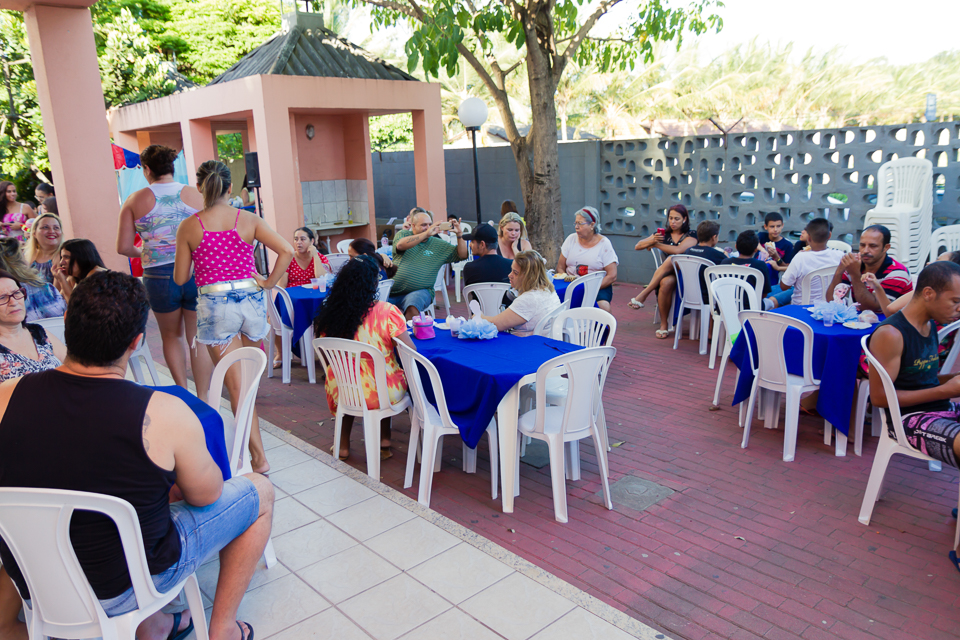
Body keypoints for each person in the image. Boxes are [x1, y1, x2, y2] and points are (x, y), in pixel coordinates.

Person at [0, 271, 273, 640]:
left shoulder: (7, 394)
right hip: (128, 588)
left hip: (36, 579)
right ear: (136, 342)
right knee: (260, 492)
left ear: (66, 324)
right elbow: (206, 496)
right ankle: (222, 628)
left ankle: (157, 624)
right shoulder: (161, 412)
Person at [174, 160, 293, 475]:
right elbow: (287, 251)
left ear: (200, 187)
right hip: (252, 303)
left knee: (237, 387)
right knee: (249, 386)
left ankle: (258, 458)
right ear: (229, 187)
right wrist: (267, 283)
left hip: (216, 306)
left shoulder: (190, 226)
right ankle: (255, 454)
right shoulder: (249, 219)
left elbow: (179, 277)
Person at [866, 260, 960, 571]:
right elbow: (881, 398)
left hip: (934, 408)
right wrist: (945, 392)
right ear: (930, 293)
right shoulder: (892, 333)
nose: (959, 309)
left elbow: (928, 381)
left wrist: (950, 384)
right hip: (907, 421)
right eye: (956, 301)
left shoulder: (929, 323)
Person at [117, 144, 213, 398]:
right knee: (198, 337)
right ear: (171, 166)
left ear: (147, 169)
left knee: (171, 337)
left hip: (158, 276)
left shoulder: (135, 200)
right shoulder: (196, 195)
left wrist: (148, 251)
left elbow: (124, 247)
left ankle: (183, 393)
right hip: (195, 272)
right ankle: (203, 396)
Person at [313, 255, 414, 461]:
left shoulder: (331, 312)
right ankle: (384, 441)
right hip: (382, 392)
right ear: (374, 283)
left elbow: (324, 353)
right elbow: (409, 351)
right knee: (387, 370)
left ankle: (342, 446)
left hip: (340, 389)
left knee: (351, 378)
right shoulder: (387, 312)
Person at [628, 204, 698, 333]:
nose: (672, 221)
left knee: (672, 258)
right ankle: (664, 325)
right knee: (665, 282)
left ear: (685, 219)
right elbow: (637, 246)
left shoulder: (692, 234)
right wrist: (652, 240)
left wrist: (656, 244)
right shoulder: (662, 235)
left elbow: (678, 250)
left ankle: (644, 293)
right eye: (670, 218)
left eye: (676, 218)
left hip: (686, 274)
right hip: (668, 274)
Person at [389, 209, 467, 320]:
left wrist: (459, 235)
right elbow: (400, 245)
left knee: (413, 305)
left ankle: (410, 334)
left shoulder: (438, 244)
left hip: (420, 291)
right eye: (424, 225)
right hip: (393, 292)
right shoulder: (404, 234)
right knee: (376, 308)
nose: (428, 227)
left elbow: (462, 255)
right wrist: (426, 233)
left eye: (430, 224)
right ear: (413, 226)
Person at [826, 224, 912, 312]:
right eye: (862, 245)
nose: (865, 250)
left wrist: (855, 275)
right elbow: (831, 301)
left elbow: (872, 309)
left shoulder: (897, 272)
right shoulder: (855, 265)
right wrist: (839, 271)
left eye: (873, 246)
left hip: (890, 323)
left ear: (886, 248)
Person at [0, 269, 66, 379]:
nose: (14, 302)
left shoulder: (38, 332)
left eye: (17, 293)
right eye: (2, 297)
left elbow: (74, 367)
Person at [484, 250, 561, 336]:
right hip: (547, 340)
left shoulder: (529, 299)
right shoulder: (548, 290)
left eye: (515, 273)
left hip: (527, 345)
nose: (510, 275)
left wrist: (478, 317)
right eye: (511, 270)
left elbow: (496, 324)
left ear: (529, 277)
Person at [557, 206, 618, 313]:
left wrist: (591, 288)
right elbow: (560, 267)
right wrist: (566, 278)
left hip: (598, 286)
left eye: (580, 223)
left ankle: (605, 329)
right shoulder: (571, 239)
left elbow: (612, 275)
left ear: (592, 225)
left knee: (603, 306)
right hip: (571, 284)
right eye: (575, 223)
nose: (576, 227)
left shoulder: (604, 243)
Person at [779, 218, 843, 306]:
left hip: (801, 309)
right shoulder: (840, 256)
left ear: (808, 237)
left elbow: (784, 286)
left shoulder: (800, 257)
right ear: (829, 235)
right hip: (829, 308)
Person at [0, 238, 65, 321]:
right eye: (23, 255)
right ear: (19, 261)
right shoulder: (43, 286)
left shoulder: (42, 286)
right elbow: (62, 314)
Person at [681, 221, 726, 304]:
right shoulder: (717, 254)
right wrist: (726, 255)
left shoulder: (688, 251)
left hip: (687, 294)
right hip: (709, 297)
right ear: (714, 237)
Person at [52, 238, 107, 303]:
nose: (61, 262)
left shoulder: (98, 275)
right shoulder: (73, 278)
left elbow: (77, 308)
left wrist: (62, 281)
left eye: (66, 257)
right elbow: (58, 304)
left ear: (82, 257)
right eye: (61, 258)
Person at [24, 211, 63, 285]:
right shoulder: (27, 255)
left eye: (56, 228)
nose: (51, 231)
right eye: (45, 227)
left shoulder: (63, 257)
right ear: (34, 233)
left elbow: (58, 294)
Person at [758, 212, 793, 282]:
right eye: (772, 226)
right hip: (757, 272)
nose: (775, 229)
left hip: (771, 278)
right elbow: (754, 242)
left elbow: (788, 268)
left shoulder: (787, 245)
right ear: (765, 226)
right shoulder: (761, 236)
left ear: (782, 225)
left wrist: (777, 257)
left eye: (778, 226)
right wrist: (763, 250)